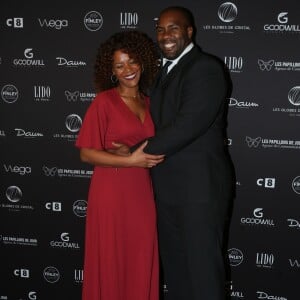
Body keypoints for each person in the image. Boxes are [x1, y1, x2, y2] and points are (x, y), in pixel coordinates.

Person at [112, 6, 234, 300]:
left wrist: (134, 154)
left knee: (203, 272)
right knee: (177, 272)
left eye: (174, 28)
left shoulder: (205, 68)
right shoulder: (160, 72)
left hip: (199, 190)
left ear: (190, 32)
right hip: (165, 189)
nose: (166, 36)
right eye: (161, 30)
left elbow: (187, 126)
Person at [75, 30, 164, 300]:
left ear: (143, 62)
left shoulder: (150, 103)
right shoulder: (105, 102)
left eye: (132, 61)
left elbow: (150, 145)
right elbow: (86, 154)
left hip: (141, 193)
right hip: (111, 192)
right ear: (111, 70)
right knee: (111, 258)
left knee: (140, 256)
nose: (128, 69)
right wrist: (129, 160)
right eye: (119, 65)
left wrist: (136, 154)